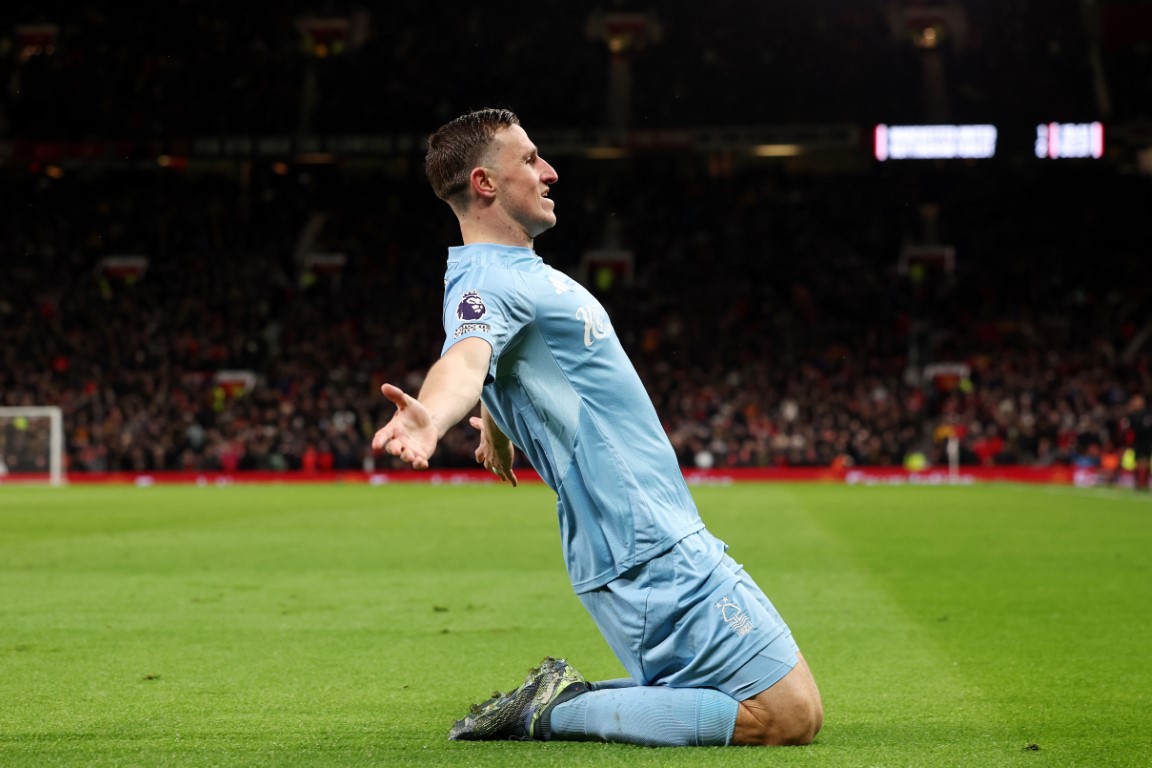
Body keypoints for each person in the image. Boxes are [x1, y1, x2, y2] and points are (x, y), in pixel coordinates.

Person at [371, 108, 823, 747]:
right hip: (640, 542)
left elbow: (500, 357)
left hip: (658, 529)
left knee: (793, 706)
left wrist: (496, 426)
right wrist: (431, 415)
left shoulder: (517, 274)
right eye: (530, 159)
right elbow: (468, 357)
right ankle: (549, 712)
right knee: (784, 718)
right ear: (484, 183)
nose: (550, 172)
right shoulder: (487, 281)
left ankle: (551, 699)